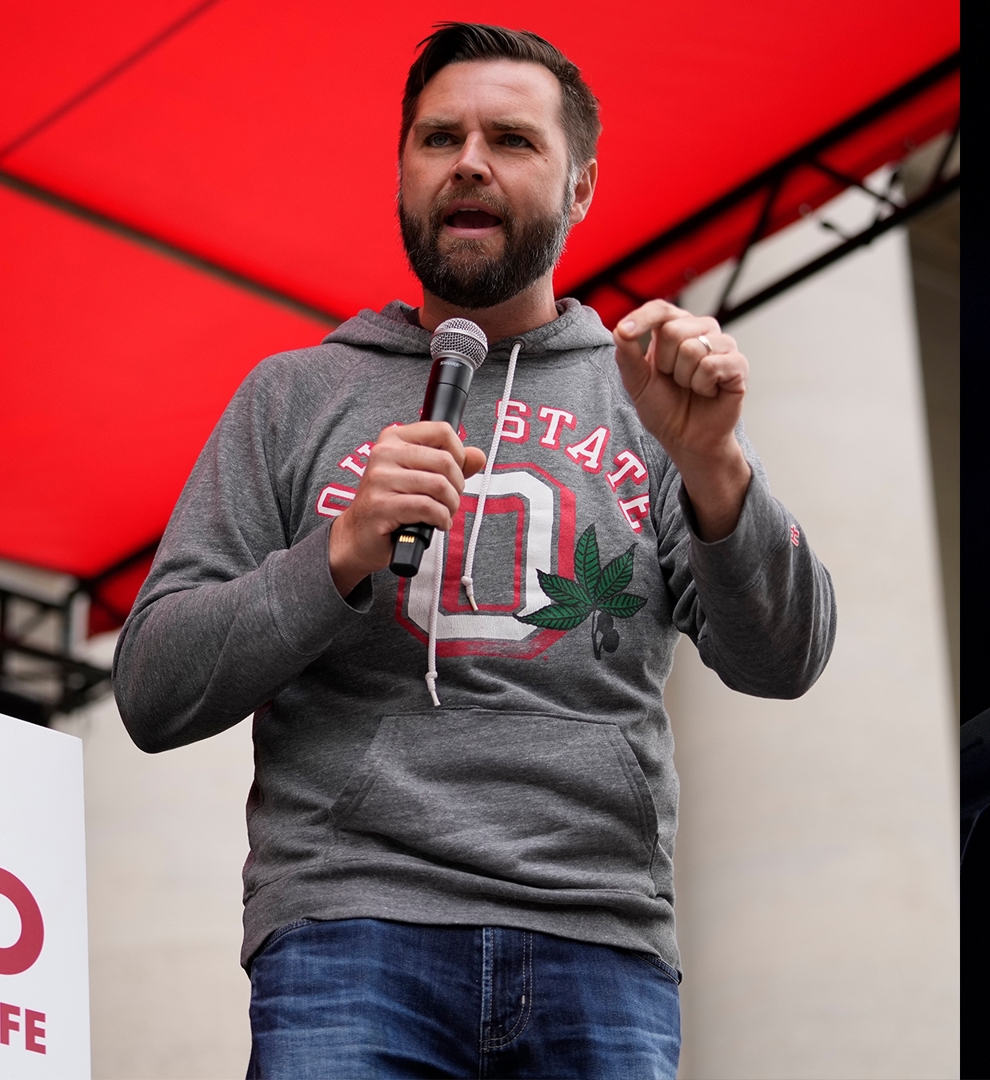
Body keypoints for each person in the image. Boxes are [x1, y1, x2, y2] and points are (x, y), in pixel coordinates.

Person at [112, 22, 835, 1079]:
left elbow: (787, 659)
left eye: (512, 140)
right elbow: (151, 687)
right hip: (349, 928)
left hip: (601, 938)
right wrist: (339, 553)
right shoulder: (293, 395)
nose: (469, 164)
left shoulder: (649, 400)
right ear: (402, 172)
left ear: (581, 188)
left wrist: (719, 466)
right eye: (439, 138)